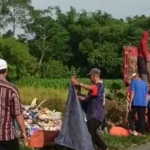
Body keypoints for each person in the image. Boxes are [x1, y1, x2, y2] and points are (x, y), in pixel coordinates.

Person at [71, 68, 108, 150]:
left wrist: (79, 83)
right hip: (92, 114)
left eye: (90, 76)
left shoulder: (99, 85)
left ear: (94, 75)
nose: (89, 79)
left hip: (96, 114)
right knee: (92, 134)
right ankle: (105, 148)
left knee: (90, 135)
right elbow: (87, 99)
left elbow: (93, 88)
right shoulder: (96, 87)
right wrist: (78, 95)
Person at [0, 59, 28, 150]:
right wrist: (23, 131)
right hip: (6, 136)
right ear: (6, 71)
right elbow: (17, 113)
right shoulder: (11, 89)